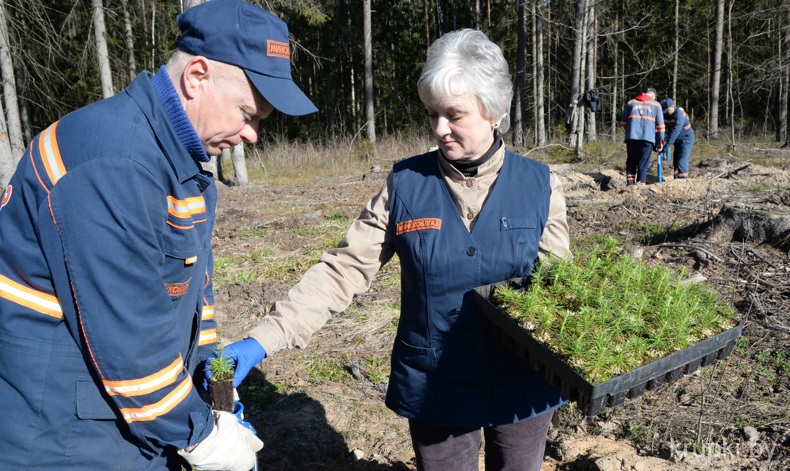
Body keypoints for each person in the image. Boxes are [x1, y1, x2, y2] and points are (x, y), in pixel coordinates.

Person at [212, 29, 571, 471]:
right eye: (433, 114)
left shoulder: (540, 184)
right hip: (436, 384)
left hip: (523, 384)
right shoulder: (405, 185)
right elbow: (343, 269)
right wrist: (261, 340)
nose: (439, 129)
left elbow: (561, 286)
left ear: (494, 110)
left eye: (454, 115)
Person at [0, 0, 316, 469]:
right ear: (197, 77)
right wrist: (207, 439)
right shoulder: (114, 164)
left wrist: (214, 376)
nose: (252, 135)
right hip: (65, 438)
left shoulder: (183, 164)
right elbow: (132, 344)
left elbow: (192, 291)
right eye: (248, 114)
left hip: (127, 419)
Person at [619, 87, 665, 185]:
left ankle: (630, 184)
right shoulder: (656, 104)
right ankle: (640, 185)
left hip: (631, 137)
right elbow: (660, 125)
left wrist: (630, 130)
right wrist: (660, 141)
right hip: (648, 138)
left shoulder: (631, 103)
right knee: (643, 163)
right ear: (653, 96)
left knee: (631, 161)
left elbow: (623, 121)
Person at [661, 98, 695, 179]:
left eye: (667, 109)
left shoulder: (679, 114)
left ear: (672, 106)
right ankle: (676, 180)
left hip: (686, 139)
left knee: (682, 162)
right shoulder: (665, 114)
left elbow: (676, 131)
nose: (665, 112)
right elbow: (663, 129)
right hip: (677, 140)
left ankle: (683, 182)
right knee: (676, 162)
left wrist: (667, 145)